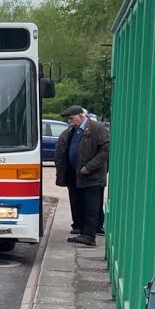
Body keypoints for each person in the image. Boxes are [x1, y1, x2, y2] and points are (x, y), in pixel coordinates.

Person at [54, 104, 109, 246]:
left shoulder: (98, 128)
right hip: (76, 176)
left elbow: (105, 150)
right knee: (80, 204)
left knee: (92, 206)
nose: (69, 122)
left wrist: (89, 167)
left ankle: (90, 236)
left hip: (92, 176)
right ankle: (83, 232)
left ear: (81, 115)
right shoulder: (74, 130)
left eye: (71, 118)